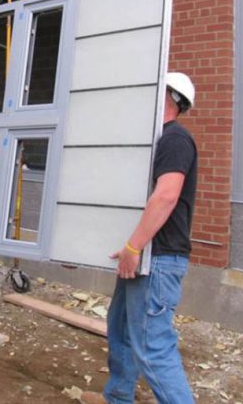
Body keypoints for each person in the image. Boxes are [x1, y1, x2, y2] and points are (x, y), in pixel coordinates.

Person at [81, 72, 198, 404]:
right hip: (144, 254)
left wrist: (134, 246)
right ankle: (118, 396)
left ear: (169, 98)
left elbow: (166, 196)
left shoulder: (174, 139)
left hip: (156, 258)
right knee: (121, 328)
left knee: (153, 348)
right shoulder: (152, 142)